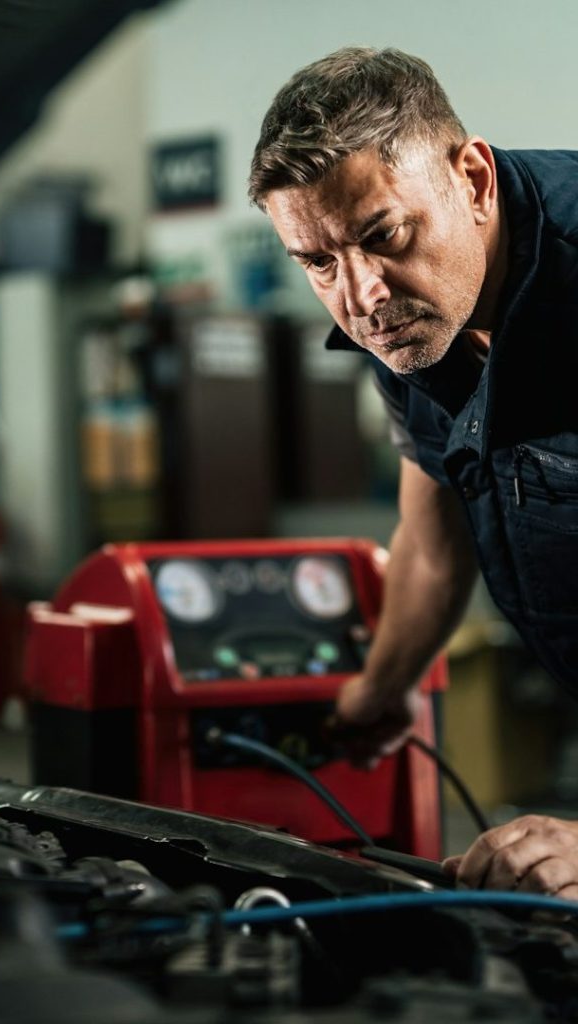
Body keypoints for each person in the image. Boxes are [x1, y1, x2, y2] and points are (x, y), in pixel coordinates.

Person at [249, 47, 578, 899]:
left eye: (384, 236)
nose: (361, 296)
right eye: (318, 262)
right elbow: (433, 539)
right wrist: (380, 691)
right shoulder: (412, 319)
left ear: (473, 180)